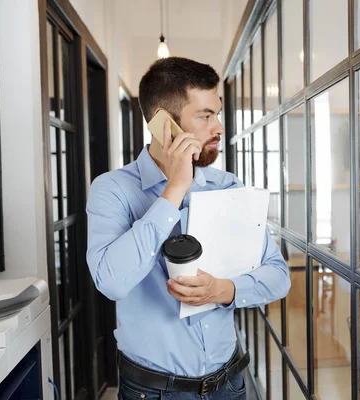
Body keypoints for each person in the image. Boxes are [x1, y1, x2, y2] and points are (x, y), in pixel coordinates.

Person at [86, 57, 291, 400]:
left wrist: (222, 290)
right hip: (155, 392)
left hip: (230, 383)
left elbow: (279, 275)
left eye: (218, 113)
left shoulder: (227, 186)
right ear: (164, 124)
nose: (219, 128)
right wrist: (175, 190)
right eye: (205, 116)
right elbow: (111, 283)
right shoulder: (112, 190)